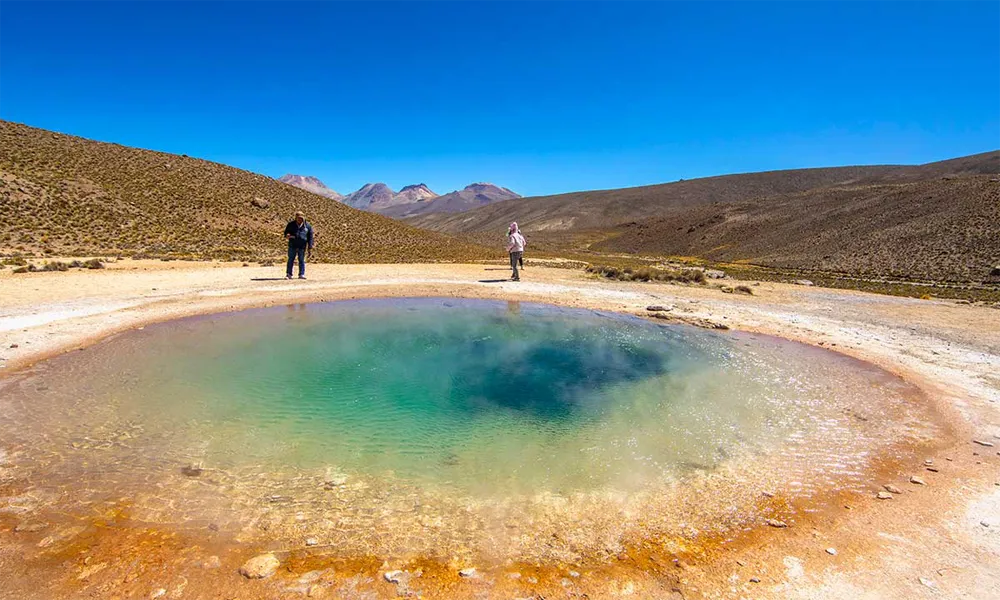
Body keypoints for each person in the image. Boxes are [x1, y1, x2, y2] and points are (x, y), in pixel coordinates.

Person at [284, 211, 314, 279]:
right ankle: (289, 274)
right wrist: (287, 235)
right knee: (291, 259)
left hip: (302, 246)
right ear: (296, 218)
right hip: (292, 245)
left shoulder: (307, 226)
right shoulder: (291, 224)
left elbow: (310, 236)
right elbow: (286, 232)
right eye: (298, 218)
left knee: (301, 260)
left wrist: (310, 246)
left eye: (301, 218)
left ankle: (301, 274)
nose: (299, 219)